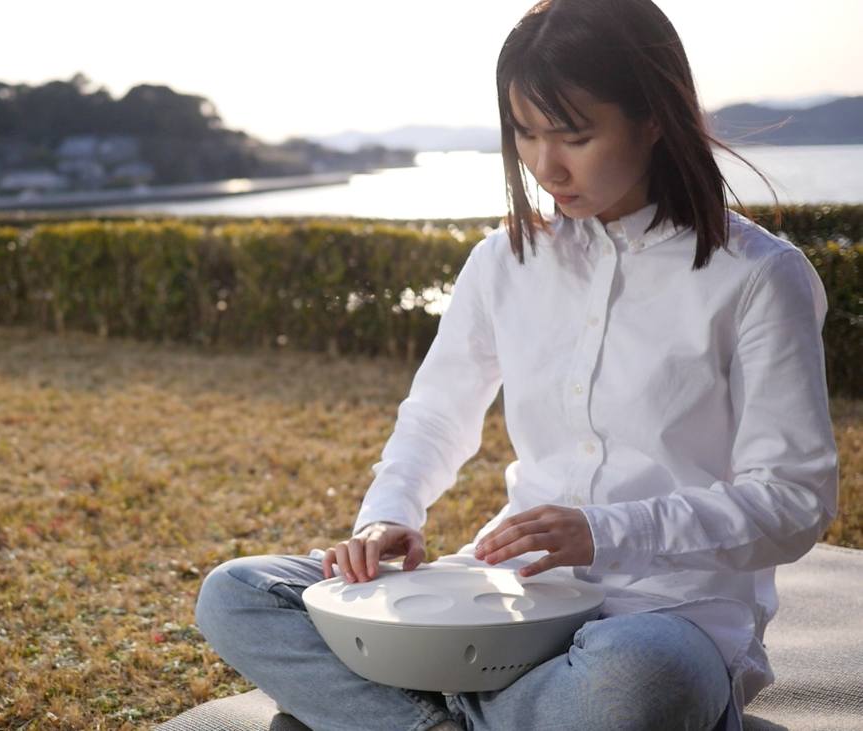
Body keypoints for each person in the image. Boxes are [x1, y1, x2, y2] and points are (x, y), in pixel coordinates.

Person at [193, 0, 839, 729]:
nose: (543, 165)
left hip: (667, 614)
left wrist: (605, 529)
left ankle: (418, 712)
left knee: (641, 681)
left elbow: (794, 498)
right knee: (238, 593)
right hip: (503, 600)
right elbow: (438, 411)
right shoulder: (506, 261)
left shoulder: (757, 276)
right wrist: (388, 517)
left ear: (654, 117)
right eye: (525, 133)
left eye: (574, 135)